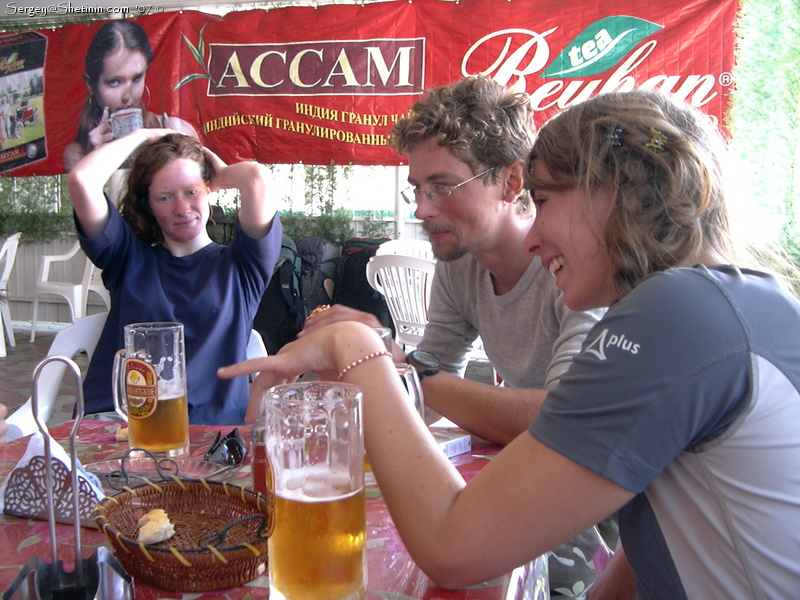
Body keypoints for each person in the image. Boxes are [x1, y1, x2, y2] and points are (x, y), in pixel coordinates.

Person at [220, 89, 800, 599]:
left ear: (615, 194)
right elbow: (671, 510)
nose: (534, 235)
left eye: (545, 202)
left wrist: (359, 352)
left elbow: (453, 549)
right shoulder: (735, 301)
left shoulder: (679, 314)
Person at [302, 76, 608, 595]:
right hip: (525, 481)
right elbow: (428, 388)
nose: (422, 209)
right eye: (417, 189)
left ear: (513, 183)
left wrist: (387, 363)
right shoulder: (461, 264)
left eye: (441, 187)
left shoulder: (575, 267)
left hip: (600, 518)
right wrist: (348, 382)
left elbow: (561, 420)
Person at [69, 127, 280, 424]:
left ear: (209, 188)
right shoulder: (127, 257)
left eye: (190, 191)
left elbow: (257, 178)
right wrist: (141, 135)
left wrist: (219, 174)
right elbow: (82, 179)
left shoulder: (242, 265)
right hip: (118, 423)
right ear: (149, 205)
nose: (182, 209)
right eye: (164, 197)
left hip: (206, 431)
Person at [63, 20, 197, 173]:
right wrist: (93, 162)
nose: (127, 95)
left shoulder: (176, 131)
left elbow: (199, 191)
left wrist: (175, 155)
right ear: (91, 85)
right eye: (114, 82)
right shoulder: (77, 154)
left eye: (136, 78)